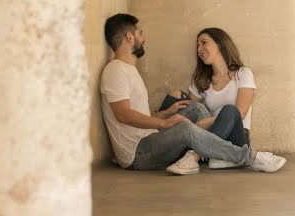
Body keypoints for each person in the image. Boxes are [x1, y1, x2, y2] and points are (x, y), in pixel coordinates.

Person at [99, 13, 285, 175]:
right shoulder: (116, 71)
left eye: (204, 43)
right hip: (137, 154)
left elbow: (136, 113)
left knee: (196, 108)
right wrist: (164, 122)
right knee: (186, 126)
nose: (143, 38)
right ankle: (251, 157)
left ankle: (199, 155)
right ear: (130, 37)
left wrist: (164, 114)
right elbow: (123, 114)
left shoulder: (128, 70)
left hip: (152, 139)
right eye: (140, 33)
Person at [171, 27, 286, 172]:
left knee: (230, 111)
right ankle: (217, 157)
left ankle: (194, 157)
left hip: (238, 138)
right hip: (215, 136)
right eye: (197, 46)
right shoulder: (202, 79)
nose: (199, 49)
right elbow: (190, 107)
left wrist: (205, 123)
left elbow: (241, 113)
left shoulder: (243, 74)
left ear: (220, 43)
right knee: (175, 97)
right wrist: (172, 104)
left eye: (204, 43)